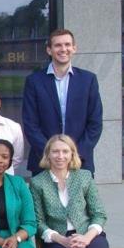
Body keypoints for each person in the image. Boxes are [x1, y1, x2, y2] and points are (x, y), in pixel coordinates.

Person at [22, 29, 102, 176]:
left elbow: (95, 123)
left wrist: (74, 155)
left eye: (67, 44)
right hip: (43, 162)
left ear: (74, 48)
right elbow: (30, 124)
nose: (63, 49)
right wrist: (51, 154)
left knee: (79, 201)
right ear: (49, 50)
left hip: (80, 162)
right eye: (58, 45)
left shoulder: (88, 80)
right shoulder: (34, 81)